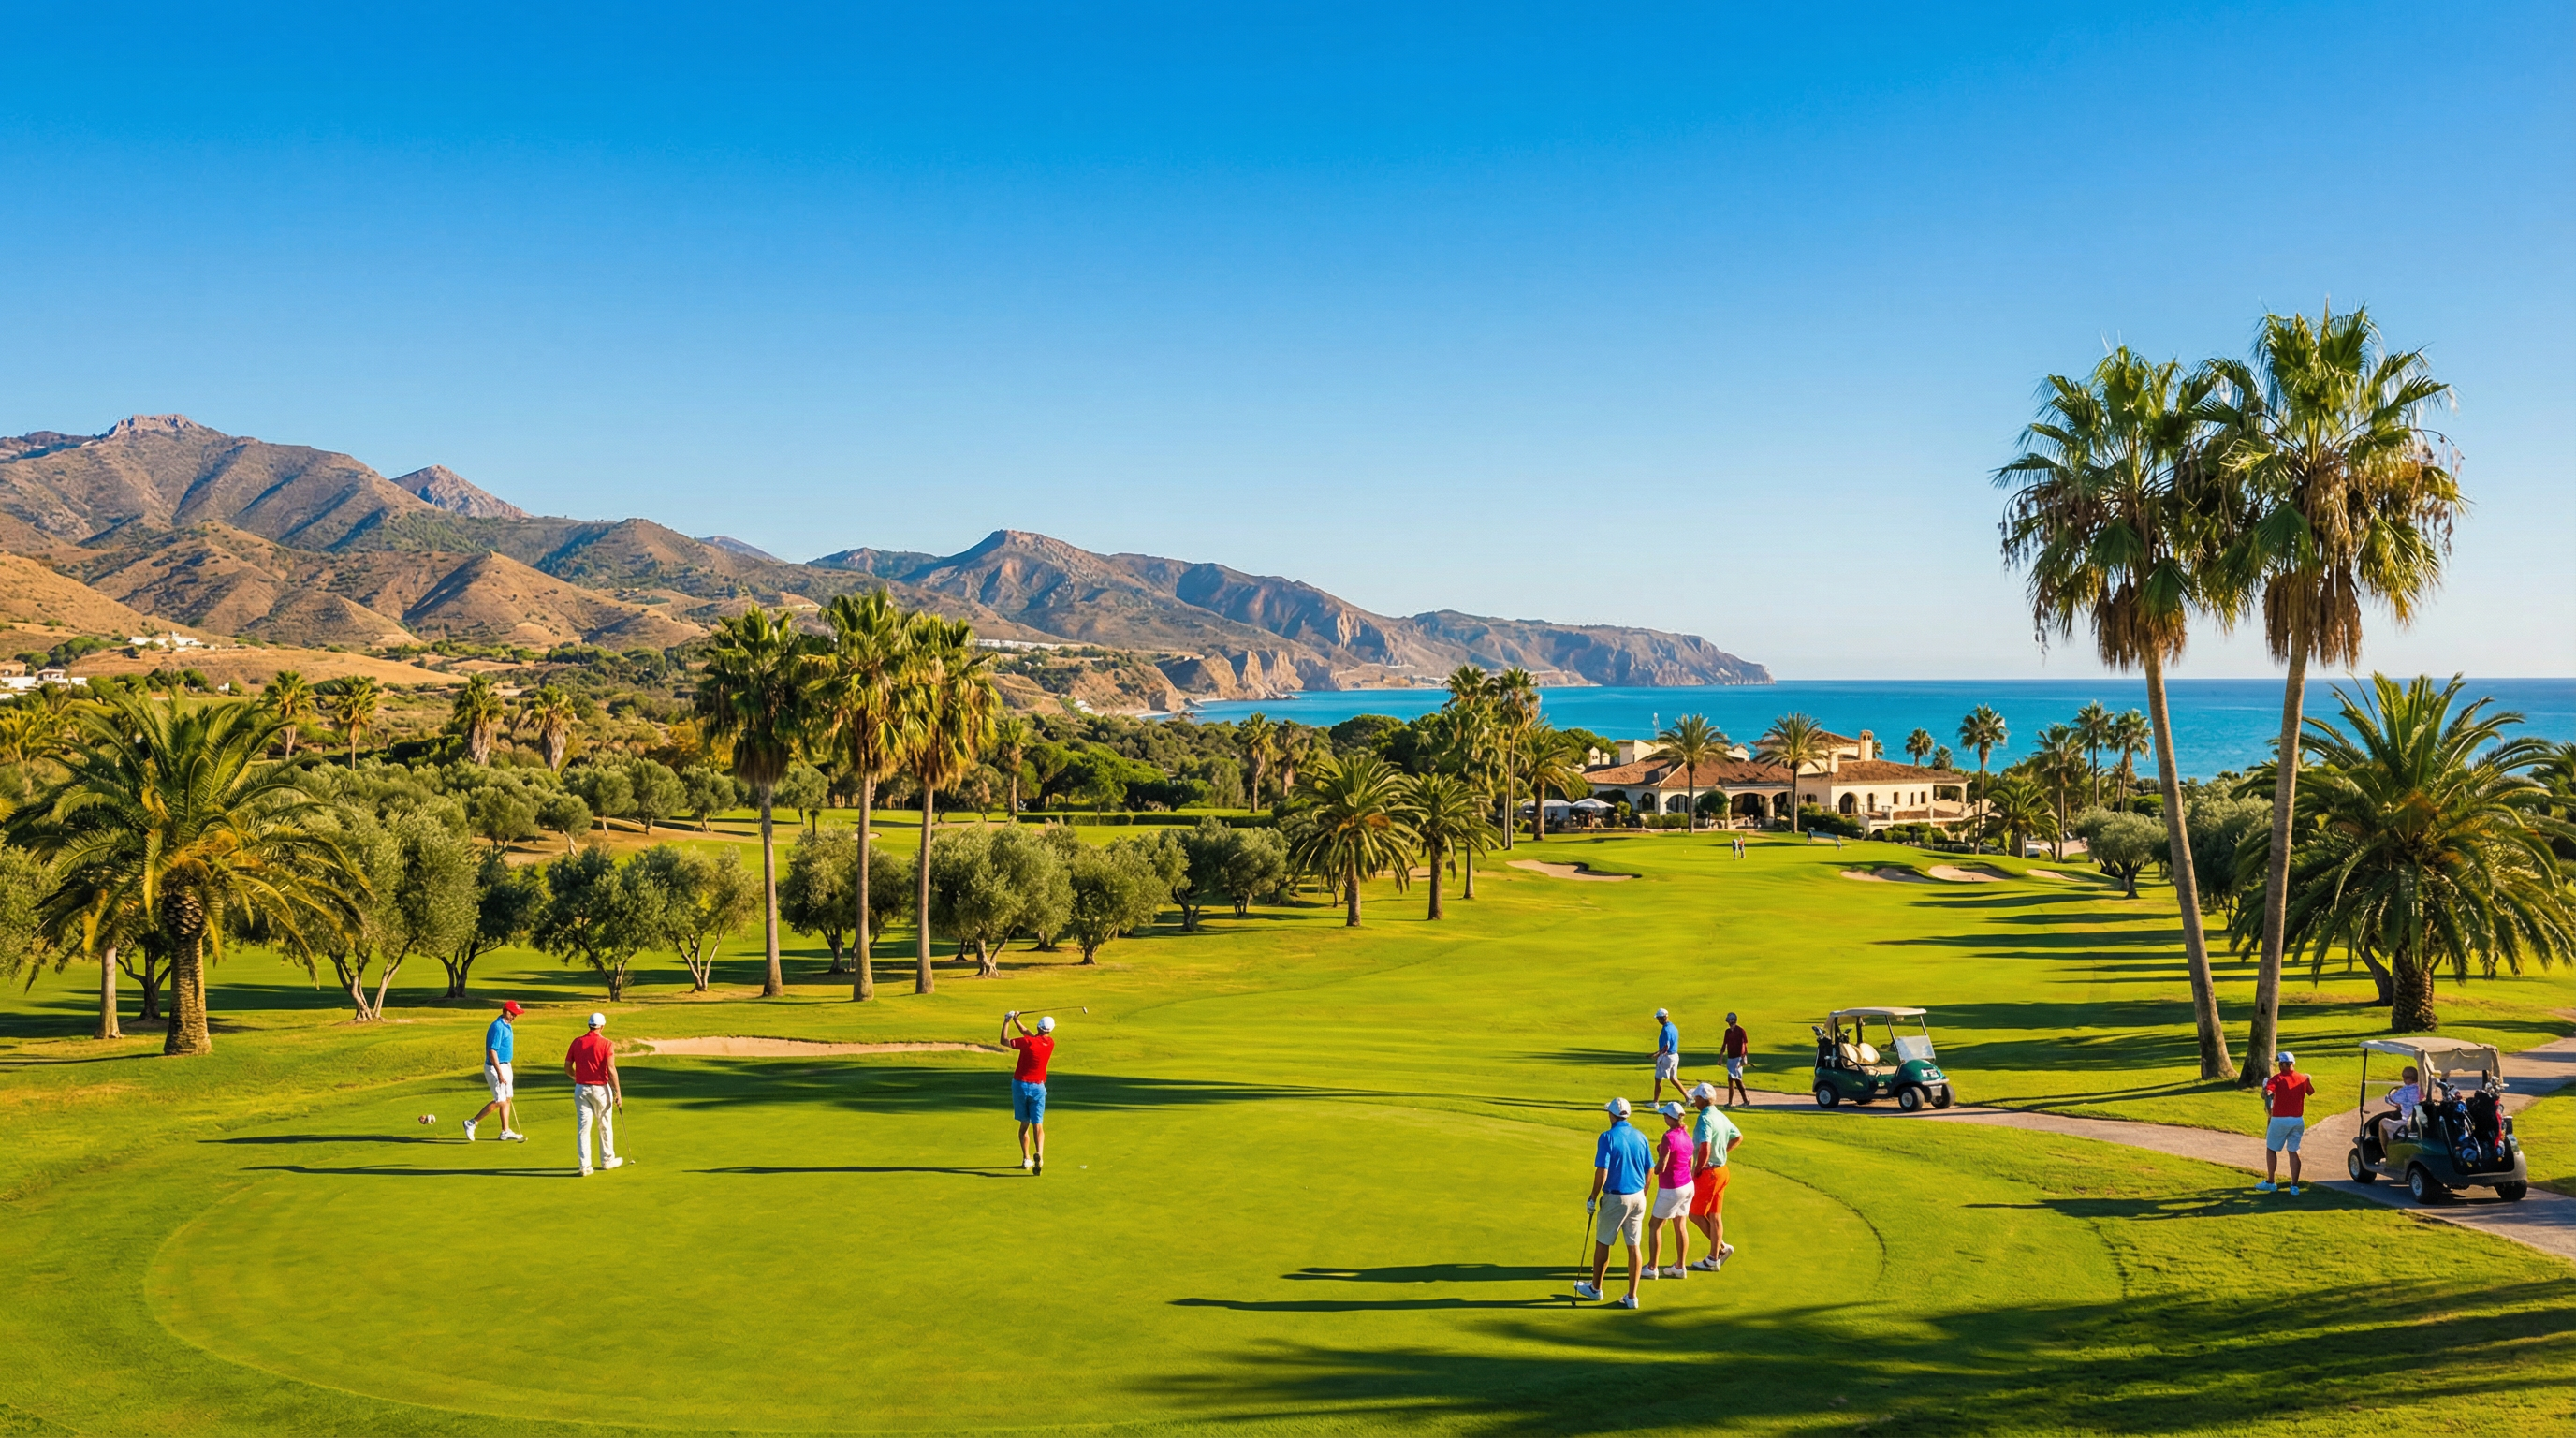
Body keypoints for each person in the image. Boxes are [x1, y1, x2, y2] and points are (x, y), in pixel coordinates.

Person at [1576, 1097, 1653, 1309]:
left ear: (1611, 1115)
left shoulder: (1607, 1137)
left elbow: (1602, 1170)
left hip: (1616, 1197)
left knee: (1603, 1242)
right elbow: (1650, 1168)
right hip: (1638, 1197)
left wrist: (1593, 1197)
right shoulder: (1640, 1136)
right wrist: (1644, 1193)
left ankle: (1595, 1289)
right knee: (1633, 1246)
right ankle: (1632, 1297)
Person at [1686, 1081, 1743, 1270]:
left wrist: (1698, 1169)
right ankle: (1715, 1254)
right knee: (1714, 1215)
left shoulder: (1704, 1119)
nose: (1694, 1101)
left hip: (1709, 1172)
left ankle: (1718, 1251)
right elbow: (1738, 1136)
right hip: (1722, 1171)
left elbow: (1705, 1147)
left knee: (1694, 1213)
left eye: (1696, 1098)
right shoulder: (1720, 1115)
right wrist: (1723, 1152)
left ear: (1703, 1099)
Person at [564, 1011, 624, 1176]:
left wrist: (577, 1078)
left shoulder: (577, 1042)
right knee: (604, 1125)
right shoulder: (607, 1044)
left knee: (583, 1128)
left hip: (581, 1089)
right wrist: (618, 1091)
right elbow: (611, 1069)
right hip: (600, 1090)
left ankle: (585, 1166)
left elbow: (567, 1067)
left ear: (589, 1025)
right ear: (602, 1026)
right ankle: (607, 1160)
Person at [1643, 1102, 1696, 1279]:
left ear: (1670, 1118)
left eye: (1665, 1115)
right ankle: (1680, 1267)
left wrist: (1655, 1163)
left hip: (1672, 1188)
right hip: (1687, 1185)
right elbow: (1688, 1162)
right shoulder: (1686, 1135)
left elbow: (1661, 1167)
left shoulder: (1668, 1137)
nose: (1664, 1117)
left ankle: (1651, 1268)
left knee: (1654, 1226)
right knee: (1680, 1224)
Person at [463, 1000, 529, 1142]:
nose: (515, 1017)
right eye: (513, 1014)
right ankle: (471, 1123)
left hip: (506, 1065)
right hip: (495, 1067)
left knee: (507, 1099)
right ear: (506, 1011)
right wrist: (499, 1072)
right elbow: (492, 1051)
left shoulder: (507, 1025)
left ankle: (505, 1131)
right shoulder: (498, 1027)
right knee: (500, 1100)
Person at [1002, 1010, 1054, 1174]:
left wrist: (1007, 1021)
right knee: (1038, 1125)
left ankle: (1026, 1158)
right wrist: (1017, 1020)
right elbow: (1031, 1035)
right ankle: (1040, 1155)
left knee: (1024, 1125)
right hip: (1038, 1088)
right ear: (1050, 1030)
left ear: (1038, 1027)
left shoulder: (1028, 1043)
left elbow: (1004, 1041)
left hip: (1020, 1086)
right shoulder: (1050, 1043)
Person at [2257, 1050, 2312, 1195]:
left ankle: (2271, 1182)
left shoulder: (2276, 1079)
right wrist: (2307, 1080)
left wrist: (2265, 1089)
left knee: (2271, 1148)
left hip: (2279, 1119)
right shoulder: (2303, 1078)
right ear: (2293, 1064)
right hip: (2297, 1120)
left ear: (2281, 1064)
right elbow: (2310, 1091)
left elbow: (2267, 1093)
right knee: (2294, 1151)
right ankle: (2294, 1186)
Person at [2368, 1065, 2422, 1149]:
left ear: (2406, 1079)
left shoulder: (2404, 1090)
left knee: (2383, 1122)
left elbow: (2390, 1099)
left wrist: (2393, 1100)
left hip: (2408, 1124)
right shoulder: (2421, 1089)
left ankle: (2387, 1153)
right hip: (2420, 1123)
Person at [1651, 1007, 1684, 1104]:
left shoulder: (1666, 1030)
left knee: (1658, 1079)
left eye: (1658, 1018)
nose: (1658, 1020)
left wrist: (1657, 1054)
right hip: (1675, 1056)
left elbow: (1666, 1046)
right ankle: (1687, 1097)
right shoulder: (1673, 1027)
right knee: (1673, 1078)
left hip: (1667, 1057)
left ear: (1662, 1018)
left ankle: (1655, 1102)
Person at [1720, 1011, 1751, 1108]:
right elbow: (1724, 1045)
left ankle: (1745, 1100)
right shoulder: (1727, 1032)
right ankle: (1731, 1102)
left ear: (1734, 1020)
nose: (1729, 1023)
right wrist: (1720, 1058)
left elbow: (1744, 1045)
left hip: (1738, 1058)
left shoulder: (1741, 1031)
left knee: (1735, 1079)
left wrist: (1744, 1058)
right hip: (1730, 1058)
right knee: (1731, 1080)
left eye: (1730, 1020)